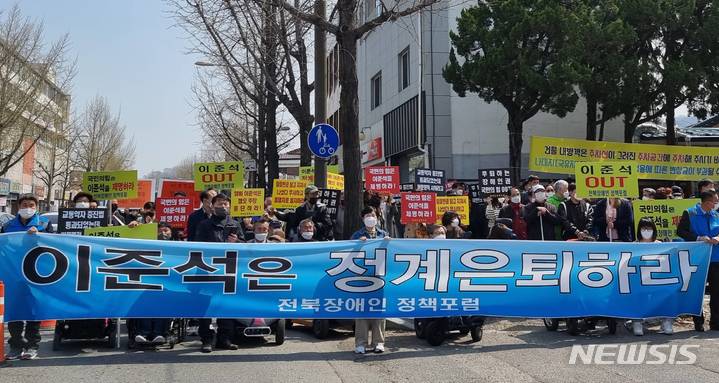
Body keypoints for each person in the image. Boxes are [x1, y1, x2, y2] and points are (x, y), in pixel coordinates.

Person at [1, 195, 54, 360]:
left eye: (31, 205)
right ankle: (16, 345)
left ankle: (32, 345)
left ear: (36, 207)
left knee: (33, 310)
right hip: (13, 274)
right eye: (25, 204)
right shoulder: (7, 226)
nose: (28, 208)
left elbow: (54, 246)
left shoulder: (44, 225)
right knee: (14, 309)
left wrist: (40, 236)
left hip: (36, 274)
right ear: (18, 206)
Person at [194, 193, 243, 352]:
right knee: (204, 307)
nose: (223, 207)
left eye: (226, 204)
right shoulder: (204, 225)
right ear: (212, 206)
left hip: (229, 271)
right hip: (208, 271)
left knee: (226, 306)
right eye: (220, 204)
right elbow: (198, 246)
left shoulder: (235, 224)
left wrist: (237, 242)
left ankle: (225, 339)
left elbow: (246, 246)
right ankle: (207, 339)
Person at [677, 190, 719, 332]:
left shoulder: (716, 214)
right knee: (697, 291)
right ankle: (698, 322)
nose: (716, 204)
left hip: (715, 258)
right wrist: (699, 238)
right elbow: (681, 232)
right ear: (707, 202)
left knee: (716, 292)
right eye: (715, 201)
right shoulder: (690, 213)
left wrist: (718, 238)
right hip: (697, 259)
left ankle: (715, 322)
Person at [351, 207, 388, 354]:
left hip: (379, 277)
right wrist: (357, 244)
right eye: (367, 215)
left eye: (373, 215)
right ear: (362, 218)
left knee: (379, 310)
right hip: (362, 277)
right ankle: (361, 343)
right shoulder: (357, 235)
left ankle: (379, 342)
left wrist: (388, 243)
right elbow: (349, 255)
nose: (370, 217)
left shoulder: (383, 234)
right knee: (362, 311)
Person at [131, 222, 174, 345]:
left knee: (164, 304)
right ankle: (143, 332)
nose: (163, 233)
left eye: (166, 230)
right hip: (148, 285)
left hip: (168, 287)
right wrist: (135, 227)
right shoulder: (147, 245)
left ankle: (158, 333)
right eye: (160, 231)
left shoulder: (177, 248)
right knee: (145, 304)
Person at [631, 218, 673, 336]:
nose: (646, 231)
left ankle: (666, 322)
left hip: (657, 280)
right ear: (639, 230)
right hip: (640, 281)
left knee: (666, 294)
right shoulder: (633, 245)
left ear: (653, 230)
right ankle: (637, 322)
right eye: (643, 228)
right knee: (638, 296)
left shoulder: (660, 245)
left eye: (649, 228)